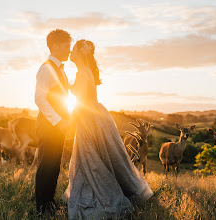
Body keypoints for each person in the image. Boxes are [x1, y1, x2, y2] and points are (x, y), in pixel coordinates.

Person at [62, 39, 153, 219]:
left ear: (81, 53)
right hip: (96, 114)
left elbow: (79, 96)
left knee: (90, 158)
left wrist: (63, 84)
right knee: (104, 156)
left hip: (87, 117)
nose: (71, 53)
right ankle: (124, 189)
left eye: (74, 50)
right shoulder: (86, 71)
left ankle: (105, 197)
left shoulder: (81, 72)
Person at [34, 29, 72, 214]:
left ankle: (49, 203)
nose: (69, 50)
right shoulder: (46, 69)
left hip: (58, 125)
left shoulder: (60, 69)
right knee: (46, 165)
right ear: (55, 45)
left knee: (54, 166)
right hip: (49, 125)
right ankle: (42, 208)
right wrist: (59, 121)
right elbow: (39, 99)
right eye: (66, 46)